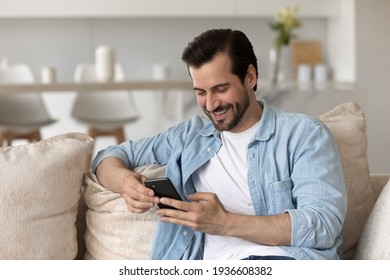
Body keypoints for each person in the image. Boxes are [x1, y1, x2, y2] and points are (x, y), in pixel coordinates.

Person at [92, 29, 347, 260]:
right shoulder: (189, 136)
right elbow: (109, 156)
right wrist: (125, 183)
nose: (211, 104)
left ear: (250, 77)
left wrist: (224, 223)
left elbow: (323, 224)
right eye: (201, 92)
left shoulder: (304, 134)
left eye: (221, 89)